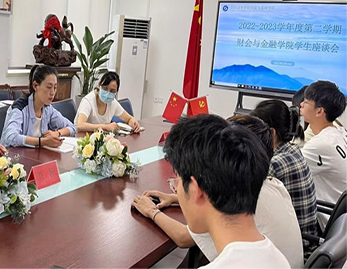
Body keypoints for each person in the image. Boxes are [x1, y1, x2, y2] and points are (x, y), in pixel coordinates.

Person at [132, 115, 290, 268]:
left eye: (177, 182)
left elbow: (182, 238)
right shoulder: (278, 259)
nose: (177, 189)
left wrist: (151, 211)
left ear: (194, 189)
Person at [250, 100, 318, 243]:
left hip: (296, 242)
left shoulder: (274, 163)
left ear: (272, 133)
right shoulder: (294, 149)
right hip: (308, 235)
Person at [299, 80, 347, 227]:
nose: (301, 104)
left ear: (319, 111)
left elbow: (287, 168)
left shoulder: (321, 144)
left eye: (306, 102)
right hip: (341, 222)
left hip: (328, 222)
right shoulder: (340, 132)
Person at [1, 65, 75, 148]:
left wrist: (57, 133)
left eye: (55, 88)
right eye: (49, 87)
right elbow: (10, 137)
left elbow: (72, 127)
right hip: (15, 154)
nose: (52, 92)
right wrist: (43, 141)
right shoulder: (20, 108)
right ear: (35, 86)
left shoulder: (48, 108)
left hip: (36, 154)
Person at [74, 71, 140, 136]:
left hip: (101, 138)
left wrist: (133, 122)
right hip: (83, 138)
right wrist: (106, 127)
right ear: (99, 85)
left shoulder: (113, 103)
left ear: (116, 91)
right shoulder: (88, 101)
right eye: (105, 88)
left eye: (112, 91)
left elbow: (128, 118)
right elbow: (80, 125)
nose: (108, 93)